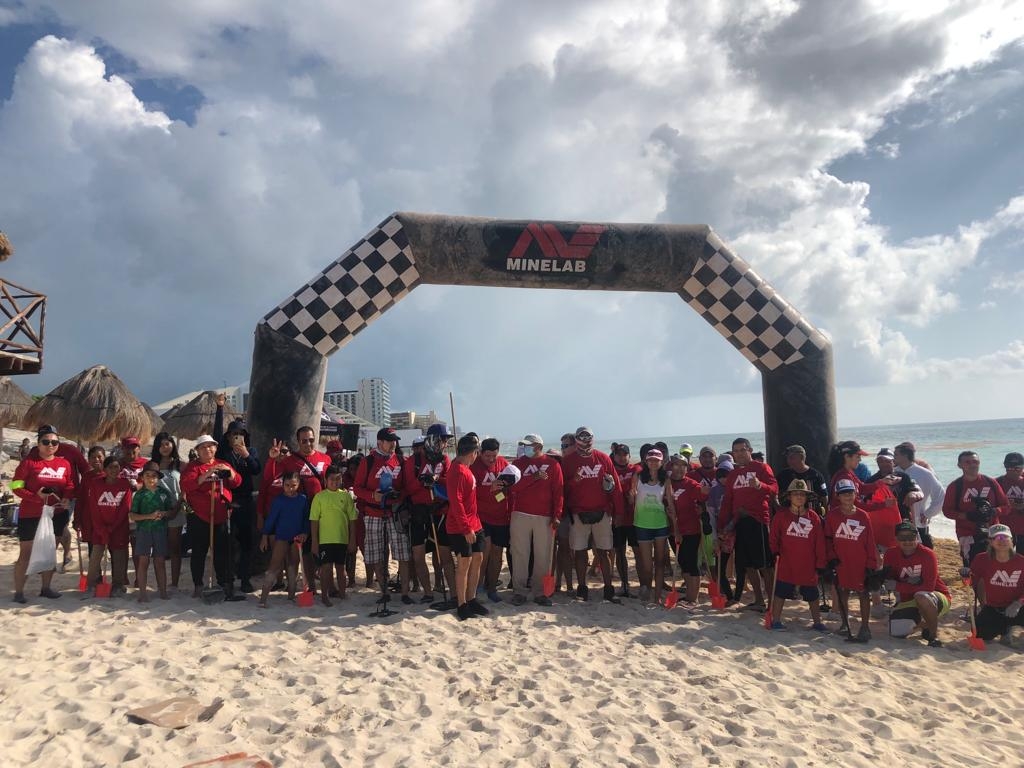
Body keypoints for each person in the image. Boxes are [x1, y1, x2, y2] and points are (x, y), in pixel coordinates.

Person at [10, 425, 77, 603]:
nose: (50, 445)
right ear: (38, 444)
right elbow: (15, 486)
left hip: (57, 513)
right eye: (46, 442)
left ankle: (46, 588)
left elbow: (70, 484)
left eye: (54, 442)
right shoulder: (29, 463)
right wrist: (34, 497)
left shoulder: (64, 463)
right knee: (26, 553)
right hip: (31, 513)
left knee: (49, 552)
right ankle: (18, 592)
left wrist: (67, 498)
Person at [261, 426, 329, 595]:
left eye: (311, 440)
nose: (308, 443)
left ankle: (328, 585)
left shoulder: (325, 458)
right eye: (304, 440)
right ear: (298, 442)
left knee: (323, 547)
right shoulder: (290, 461)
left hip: (322, 510)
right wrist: (272, 460)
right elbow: (270, 479)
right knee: (305, 552)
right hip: (301, 512)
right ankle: (309, 586)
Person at [562, 426, 623, 603]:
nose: (586, 442)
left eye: (588, 438)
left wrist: (619, 512)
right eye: (582, 438)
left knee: (604, 552)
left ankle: (608, 588)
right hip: (578, 513)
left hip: (602, 512)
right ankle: (582, 587)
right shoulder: (568, 461)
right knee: (580, 553)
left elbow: (615, 486)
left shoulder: (603, 458)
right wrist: (574, 481)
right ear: (577, 440)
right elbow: (561, 489)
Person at [718, 437, 778, 611]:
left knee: (765, 565)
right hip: (739, 523)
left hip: (758, 521)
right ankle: (759, 600)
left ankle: (773, 603)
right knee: (748, 564)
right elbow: (727, 502)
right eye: (735, 451)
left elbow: (775, 488)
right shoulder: (733, 475)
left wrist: (761, 486)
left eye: (742, 450)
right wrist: (722, 526)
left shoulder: (761, 468)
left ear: (750, 451)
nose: (739, 454)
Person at [180, 435, 242, 599]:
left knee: (222, 552)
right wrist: (206, 474)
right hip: (199, 516)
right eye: (203, 447)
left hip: (221, 515)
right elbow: (186, 485)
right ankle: (198, 584)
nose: (208, 450)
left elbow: (237, 482)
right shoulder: (192, 467)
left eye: (210, 446)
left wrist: (230, 473)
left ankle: (224, 583)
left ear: (215, 448)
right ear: (198, 451)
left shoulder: (223, 463)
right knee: (199, 551)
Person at [213, 394, 263, 593]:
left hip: (246, 500)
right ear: (228, 436)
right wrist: (219, 408)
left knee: (247, 542)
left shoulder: (251, 451)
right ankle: (227, 579)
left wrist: (247, 455)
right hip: (227, 501)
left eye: (240, 433)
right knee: (227, 542)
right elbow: (216, 434)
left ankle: (244, 579)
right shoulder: (223, 453)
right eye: (234, 433)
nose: (237, 437)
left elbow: (256, 470)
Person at [352, 428, 406, 603]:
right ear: (379, 442)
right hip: (373, 513)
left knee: (403, 553)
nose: (393, 444)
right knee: (377, 554)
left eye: (394, 441)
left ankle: (405, 594)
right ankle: (384, 592)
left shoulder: (400, 461)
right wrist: (372, 496)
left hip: (395, 513)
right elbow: (358, 489)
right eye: (389, 441)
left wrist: (399, 495)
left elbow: (407, 486)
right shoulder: (367, 462)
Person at [510, 434, 564, 606]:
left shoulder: (553, 464)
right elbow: (512, 487)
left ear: (538, 446)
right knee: (520, 553)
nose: (526, 448)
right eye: (524, 445)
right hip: (520, 513)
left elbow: (558, 492)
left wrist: (557, 514)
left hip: (544, 516)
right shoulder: (518, 464)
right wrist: (533, 477)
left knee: (543, 554)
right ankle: (519, 591)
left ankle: (540, 592)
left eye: (529, 445)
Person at [768, 479, 827, 631]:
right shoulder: (781, 516)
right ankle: (776, 620)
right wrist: (774, 552)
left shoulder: (813, 517)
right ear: (789, 497)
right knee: (780, 592)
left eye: (802, 494)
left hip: (808, 563)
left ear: (807, 497)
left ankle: (817, 621)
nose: (799, 497)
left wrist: (821, 563)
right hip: (786, 562)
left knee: (812, 594)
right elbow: (773, 537)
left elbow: (820, 542)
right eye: (796, 494)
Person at [824, 478, 878, 642]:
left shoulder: (863, 516)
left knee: (863, 594)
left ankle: (865, 627)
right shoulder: (832, 515)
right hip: (841, 562)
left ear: (855, 494)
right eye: (843, 493)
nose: (847, 496)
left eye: (850, 493)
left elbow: (870, 542)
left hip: (860, 562)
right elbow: (827, 539)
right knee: (842, 592)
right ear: (838, 496)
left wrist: (871, 563)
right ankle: (844, 623)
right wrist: (831, 558)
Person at [884, 522, 951, 647]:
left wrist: (899, 586)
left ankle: (933, 636)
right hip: (908, 599)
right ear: (896, 539)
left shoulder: (927, 554)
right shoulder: (890, 554)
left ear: (917, 537)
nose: (907, 541)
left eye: (911, 537)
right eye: (902, 538)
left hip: (937, 597)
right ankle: (925, 623)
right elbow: (889, 580)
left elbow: (928, 587)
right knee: (896, 632)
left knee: (921, 596)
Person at [942, 450, 1009, 567]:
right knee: (973, 567)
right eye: (967, 462)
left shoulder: (990, 482)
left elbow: (1006, 507)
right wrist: (966, 515)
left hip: (992, 532)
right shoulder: (955, 486)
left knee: (996, 566)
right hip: (967, 533)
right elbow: (947, 511)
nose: (972, 465)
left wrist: (993, 511)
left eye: (975, 462)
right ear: (959, 465)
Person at [446, 433, 487, 620]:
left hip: (475, 521)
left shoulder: (466, 468)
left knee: (478, 558)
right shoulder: (456, 470)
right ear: (473, 452)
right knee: (464, 562)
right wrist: (466, 528)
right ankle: (461, 603)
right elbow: (456, 502)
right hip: (460, 525)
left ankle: (471, 598)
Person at [401, 436, 446, 603]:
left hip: (437, 510)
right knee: (418, 554)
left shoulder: (444, 459)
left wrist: (436, 479)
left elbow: (450, 482)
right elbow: (406, 487)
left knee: (441, 553)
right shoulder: (413, 461)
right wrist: (422, 482)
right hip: (418, 511)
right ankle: (427, 591)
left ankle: (440, 585)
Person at [628, 449, 673, 605]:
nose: (653, 462)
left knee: (660, 562)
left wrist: (676, 527)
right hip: (642, 524)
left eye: (657, 460)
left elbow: (670, 503)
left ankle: (657, 596)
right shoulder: (638, 477)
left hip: (661, 524)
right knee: (647, 564)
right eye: (651, 459)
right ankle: (646, 587)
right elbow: (630, 499)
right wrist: (631, 495)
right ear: (646, 461)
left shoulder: (666, 479)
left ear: (662, 462)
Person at [471, 437, 513, 602]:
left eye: (493, 456)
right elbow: (470, 493)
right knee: (484, 552)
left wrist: (504, 489)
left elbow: (512, 487)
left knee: (497, 553)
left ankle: (492, 587)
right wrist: (490, 490)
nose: (490, 459)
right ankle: (478, 585)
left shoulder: (503, 464)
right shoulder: (474, 466)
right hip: (482, 516)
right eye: (487, 456)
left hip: (501, 516)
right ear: (480, 453)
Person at [258, 472, 309, 607]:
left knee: (293, 567)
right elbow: (270, 520)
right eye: (287, 485)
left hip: (297, 538)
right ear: (282, 485)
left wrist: (305, 533)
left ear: (298, 484)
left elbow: (305, 519)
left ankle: (291, 596)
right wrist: (264, 536)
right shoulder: (279, 500)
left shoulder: (303, 499)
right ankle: (263, 598)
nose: (290, 488)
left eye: (293, 485)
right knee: (274, 566)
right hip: (282, 537)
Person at [84, 457, 132, 596]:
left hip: (119, 528)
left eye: (116, 467)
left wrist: (113, 527)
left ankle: (118, 585)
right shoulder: (96, 484)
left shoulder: (125, 484)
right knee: (95, 556)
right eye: (110, 467)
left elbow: (125, 508)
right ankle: (92, 584)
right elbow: (93, 507)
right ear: (104, 470)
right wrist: (101, 528)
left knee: (119, 556)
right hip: (99, 527)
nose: (114, 470)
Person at [310, 464, 357, 606]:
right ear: (325, 480)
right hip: (325, 540)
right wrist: (314, 541)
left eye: (338, 479)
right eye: (332, 479)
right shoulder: (319, 497)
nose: (335, 482)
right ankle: (325, 596)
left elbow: (352, 519)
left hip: (342, 539)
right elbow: (314, 520)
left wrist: (352, 540)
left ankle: (342, 594)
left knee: (341, 568)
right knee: (326, 568)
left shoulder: (346, 496)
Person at [969, 524, 1024, 645]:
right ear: (990, 541)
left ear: (1011, 540)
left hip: (1018, 606)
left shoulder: (1021, 562)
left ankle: (1010, 624)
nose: (1002, 541)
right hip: (995, 607)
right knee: (979, 632)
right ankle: (1005, 628)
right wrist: (965, 575)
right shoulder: (981, 559)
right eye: (997, 538)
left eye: (1005, 537)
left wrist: (1018, 603)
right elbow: (973, 579)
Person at [668, 453, 709, 606]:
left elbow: (704, 495)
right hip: (673, 530)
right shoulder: (667, 484)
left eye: (683, 465)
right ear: (671, 466)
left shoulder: (691, 484)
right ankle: (688, 596)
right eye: (676, 465)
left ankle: (694, 598)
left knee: (692, 564)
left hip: (691, 530)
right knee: (683, 563)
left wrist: (706, 492)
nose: (679, 468)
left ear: (687, 467)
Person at [129, 462, 172, 602]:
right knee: (143, 561)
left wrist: (163, 514)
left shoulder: (164, 493)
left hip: (160, 530)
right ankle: (142, 593)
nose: (150, 478)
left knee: (160, 561)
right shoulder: (139, 495)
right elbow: (133, 516)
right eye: (147, 475)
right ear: (143, 477)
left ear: (158, 478)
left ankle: (163, 592)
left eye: (154, 476)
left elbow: (170, 511)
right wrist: (149, 516)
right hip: (143, 531)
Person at [893, 442, 945, 549]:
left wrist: (928, 514)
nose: (893, 457)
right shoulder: (893, 473)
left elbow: (940, 495)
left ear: (905, 455)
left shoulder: (925, 473)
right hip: (897, 521)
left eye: (896, 455)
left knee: (924, 551)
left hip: (919, 521)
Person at [151, 433, 186, 589]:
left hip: (176, 509)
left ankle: (174, 583)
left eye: (167, 444)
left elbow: (185, 490)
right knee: (159, 548)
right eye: (161, 444)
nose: (164, 447)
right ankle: (161, 583)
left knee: (175, 547)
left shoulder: (181, 465)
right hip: (157, 511)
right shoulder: (153, 465)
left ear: (172, 445)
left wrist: (175, 508)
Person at [611, 443, 641, 598]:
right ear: (614, 455)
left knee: (638, 552)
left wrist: (633, 491)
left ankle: (643, 584)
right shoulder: (611, 470)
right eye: (619, 455)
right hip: (618, 518)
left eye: (625, 454)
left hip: (635, 519)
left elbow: (637, 478)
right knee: (620, 552)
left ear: (629, 455)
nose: (622, 458)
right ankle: (624, 584)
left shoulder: (635, 469)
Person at [554, 432, 577, 594]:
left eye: (565, 446)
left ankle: (568, 584)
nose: (563, 449)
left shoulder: (576, 463)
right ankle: (557, 583)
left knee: (566, 550)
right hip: (557, 513)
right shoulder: (559, 464)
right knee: (557, 550)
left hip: (571, 513)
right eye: (561, 446)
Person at [775, 445, 828, 516]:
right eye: (787, 458)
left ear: (801, 457)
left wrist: (826, 514)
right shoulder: (783, 475)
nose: (788, 461)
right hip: (788, 516)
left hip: (811, 516)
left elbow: (824, 496)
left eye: (791, 458)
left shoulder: (816, 475)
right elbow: (773, 493)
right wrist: (778, 508)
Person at [74, 445, 107, 556]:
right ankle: (95, 573)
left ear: (104, 458)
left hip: (107, 520)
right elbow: (80, 500)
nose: (96, 460)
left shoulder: (111, 476)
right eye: (93, 457)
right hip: (89, 519)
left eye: (99, 456)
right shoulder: (86, 477)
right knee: (93, 552)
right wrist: (77, 520)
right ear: (89, 460)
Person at [996, 452, 1024, 552]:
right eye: (1010, 468)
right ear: (1005, 467)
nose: (1013, 472)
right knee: (1002, 557)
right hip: (1003, 529)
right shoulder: (996, 483)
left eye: (1017, 468)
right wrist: (1007, 506)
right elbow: (991, 506)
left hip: (1022, 528)